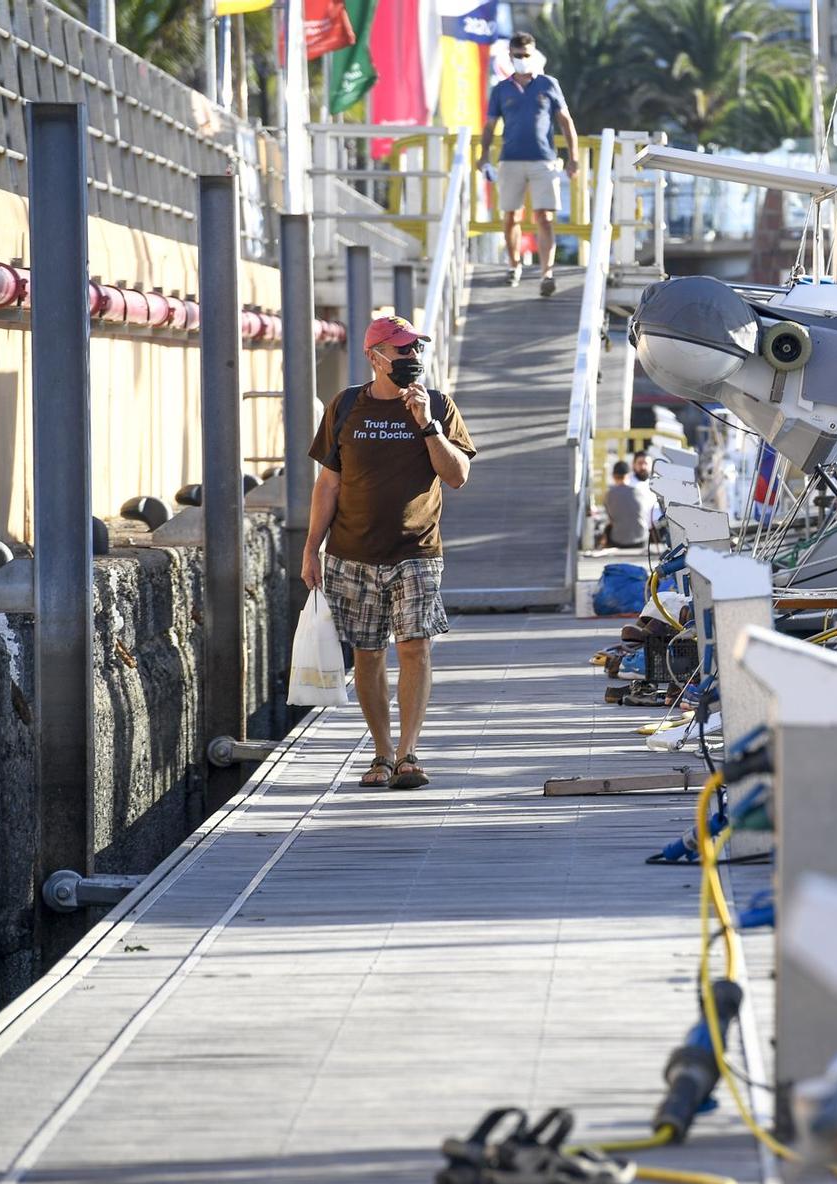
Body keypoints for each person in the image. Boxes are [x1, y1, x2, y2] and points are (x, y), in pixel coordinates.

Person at [301, 316, 478, 790]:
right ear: (374, 356)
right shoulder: (344, 406)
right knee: (367, 654)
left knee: (415, 647)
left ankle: (408, 755)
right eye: (402, 351)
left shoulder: (438, 405)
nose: (412, 359)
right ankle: (380, 753)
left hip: (416, 552)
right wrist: (310, 549)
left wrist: (428, 427)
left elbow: (457, 475)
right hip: (351, 552)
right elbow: (328, 483)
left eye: (416, 350)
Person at [481, 32, 580, 297]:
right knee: (510, 216)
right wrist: (483, 156)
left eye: (527, 55)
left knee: (544, 218)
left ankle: (547, 273)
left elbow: (565, 122)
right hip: (510, 160)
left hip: (543, 159)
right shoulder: (501, 90)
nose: (523, 60)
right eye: (518, 56)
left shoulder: (548, 84)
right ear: (510, 56)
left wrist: (574, 157)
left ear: (534, 55)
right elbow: (489, 126)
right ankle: (514, 266)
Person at [602, 459, 646, 548]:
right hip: (640, 538)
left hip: (618, 540)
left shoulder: (609, 494)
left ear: (614, 476)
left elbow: (610, 519)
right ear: (628, 476)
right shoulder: (639, 492)